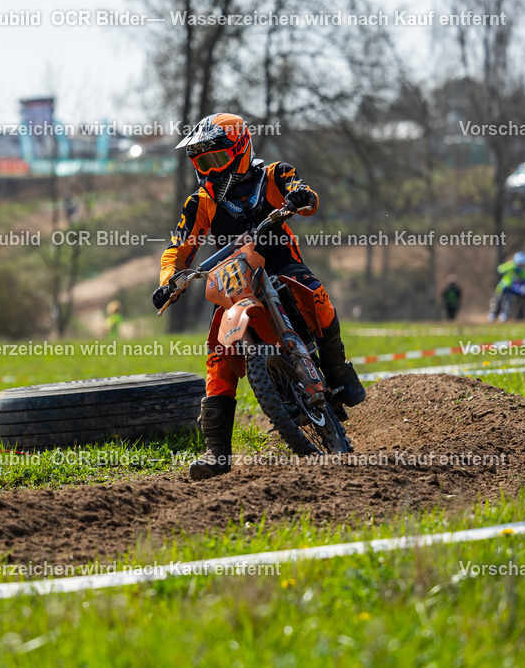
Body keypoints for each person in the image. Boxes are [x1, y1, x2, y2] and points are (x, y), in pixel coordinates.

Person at [151, 112, 365, 481]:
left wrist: (300, 197)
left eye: (215, 159)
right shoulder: (199, 202)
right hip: (234, 275)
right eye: (202, 162)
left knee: (315, 294)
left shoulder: (274, 175)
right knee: (218, 348)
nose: (210, 170)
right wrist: (170, 279)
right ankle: (217, 453)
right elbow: (179, 246)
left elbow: (306, 195)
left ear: (239, 149)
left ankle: (338, 371)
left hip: (282, 263)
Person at [488, 252, 525, 323]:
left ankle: (504, 315)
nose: (521, 265)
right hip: (503, 287)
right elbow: (500, 269)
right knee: (497, 301)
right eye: (521, 263)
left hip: (513, 290)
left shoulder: (523, 272)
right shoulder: (510, 266)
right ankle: (493, 314)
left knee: (509, 302)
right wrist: (506, 269)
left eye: (523, 264)